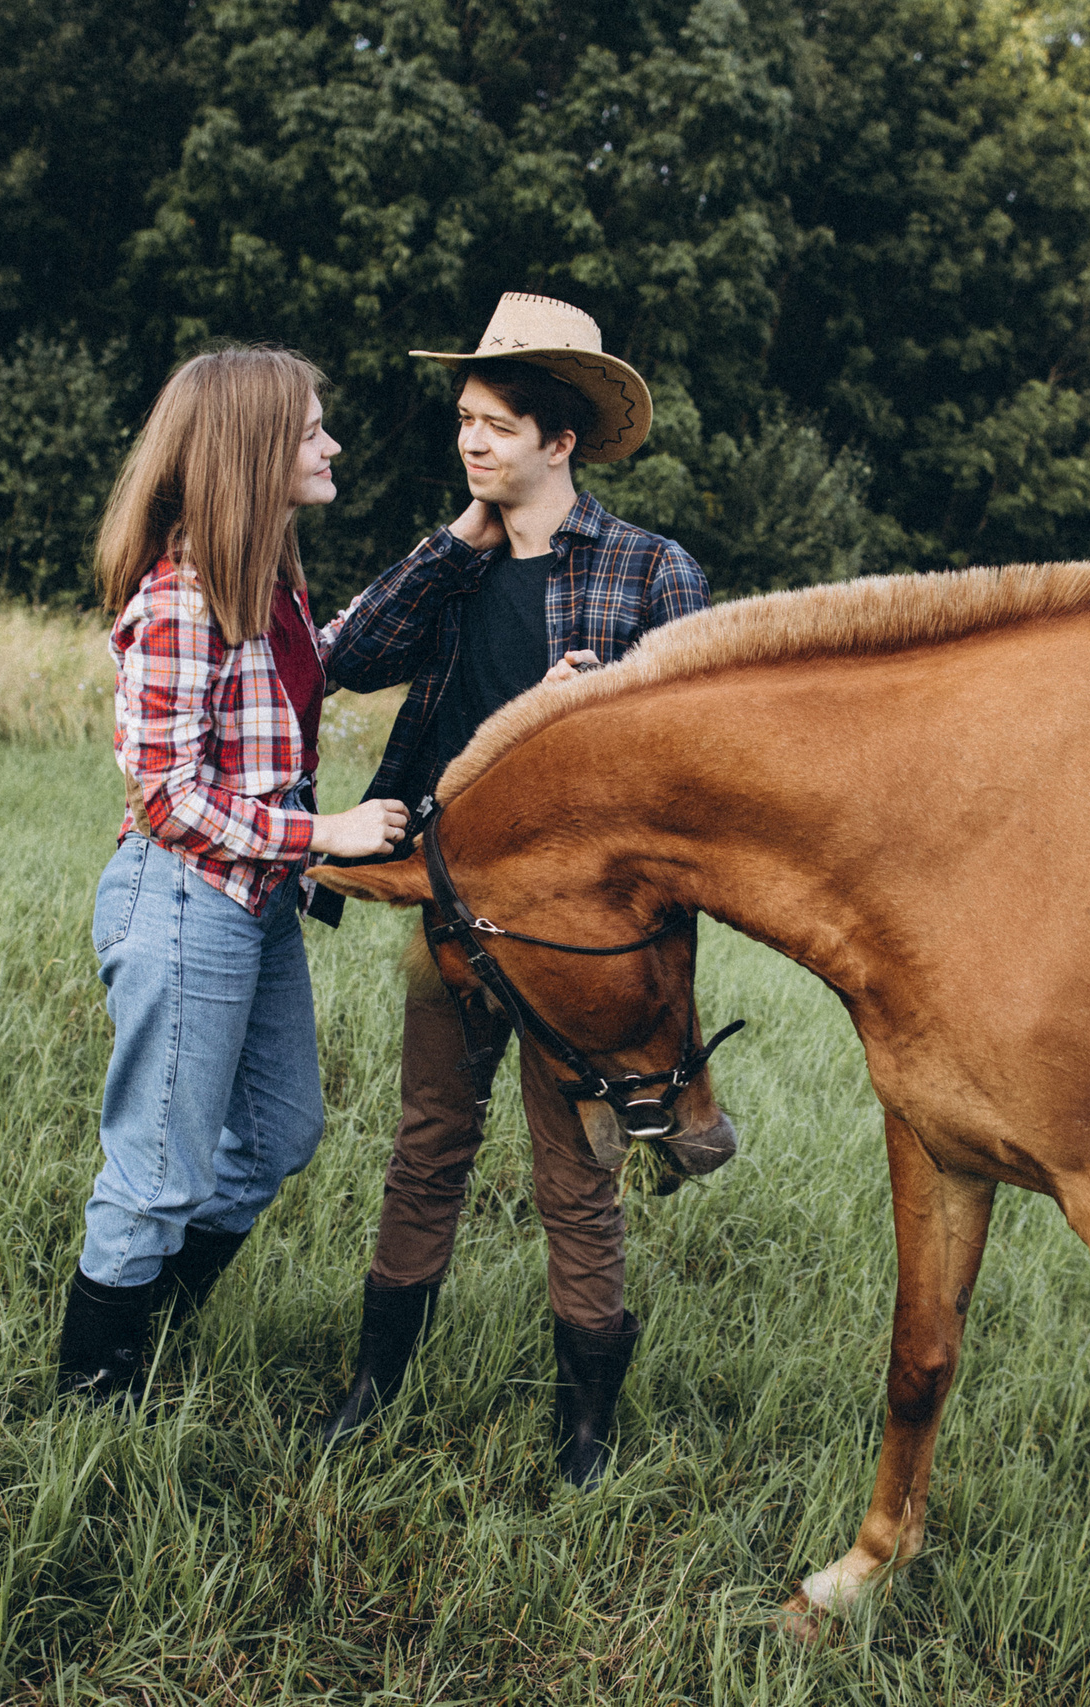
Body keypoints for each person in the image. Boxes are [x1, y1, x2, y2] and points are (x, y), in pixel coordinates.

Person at [315, 293, 717, 1484]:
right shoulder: (456, 563)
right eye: (466, 421)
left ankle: (584, 1428)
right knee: (427, 1144)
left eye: (500, 425)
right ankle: (372, 1387)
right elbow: (345, 660)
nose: (475, 443)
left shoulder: (651, 570)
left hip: (580, 935)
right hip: (446, 908)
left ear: (562, 442)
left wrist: (592, 721)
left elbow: (694, 778)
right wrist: (455, 542)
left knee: (573, 1172)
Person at [57, 346, 411, 1403]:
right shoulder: (181, 598)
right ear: (254, 452)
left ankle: (152, 1329)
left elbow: (335, 651)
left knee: (277, 1132)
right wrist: (326, 836)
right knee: (157, 1171)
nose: (331, 444)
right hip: (181, 900)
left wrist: (455, 555)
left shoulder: (271, 588)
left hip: (249, 907)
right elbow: (163, 796)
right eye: (310, 430)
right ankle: (94, 1397)